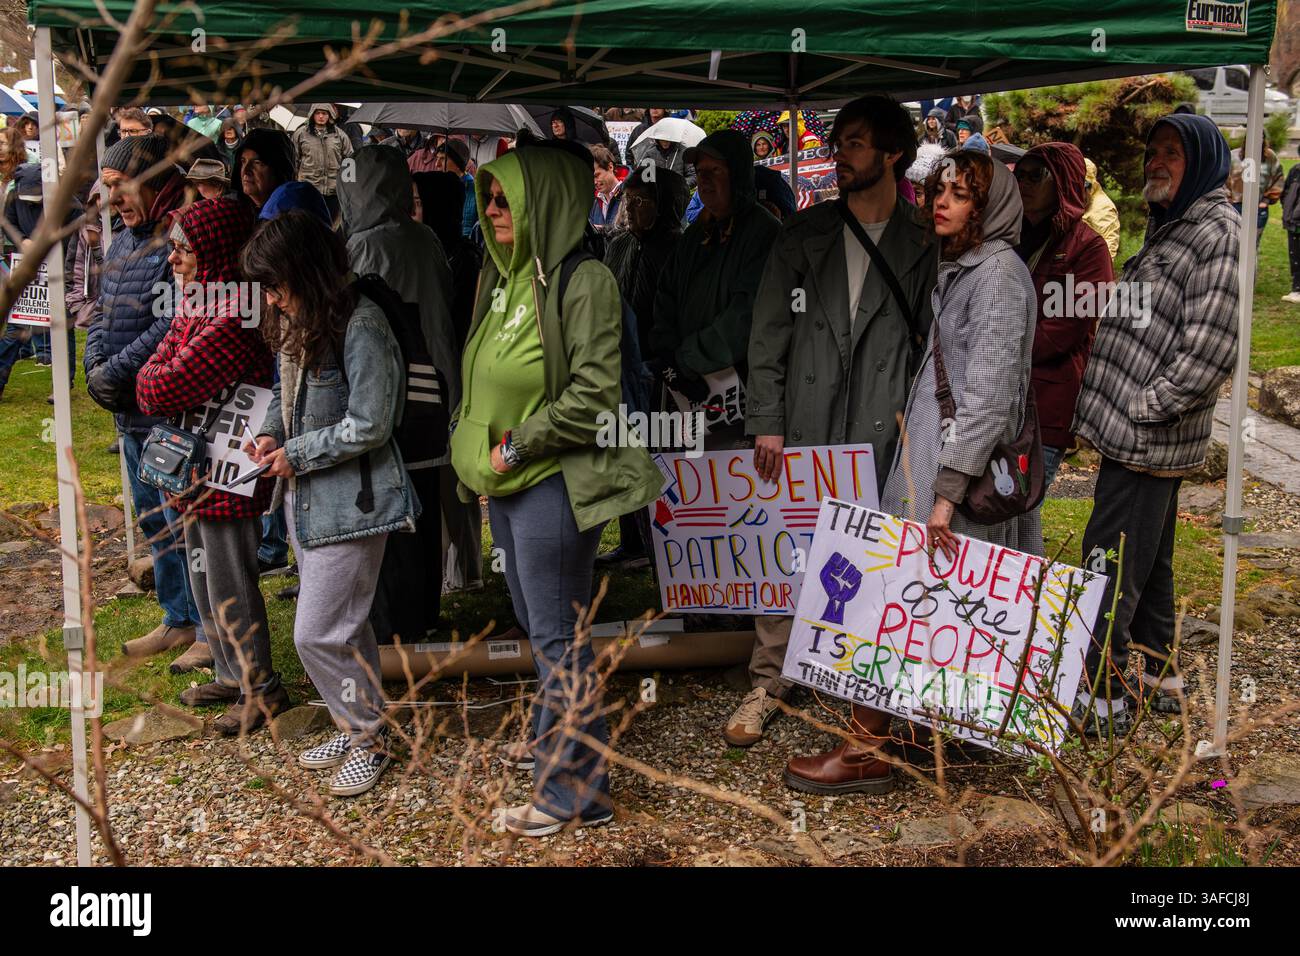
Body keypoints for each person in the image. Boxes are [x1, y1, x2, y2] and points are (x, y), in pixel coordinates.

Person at [789, 149, 1040, 796]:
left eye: (961, 194)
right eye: (939, 190)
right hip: (926, 464)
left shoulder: (1000, 277)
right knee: (919, 606)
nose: (942, 202)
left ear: (991, 207)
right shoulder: (962, 267)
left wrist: (945, 496)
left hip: (950, 479)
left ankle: (868, 747)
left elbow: (989, 399)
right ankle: (912, 738)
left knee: (901, 602)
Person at [450, 145, 663, 835]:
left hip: (552, 480)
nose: (490, 210)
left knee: (556, 637)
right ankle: (555, 751)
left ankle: (576, 792)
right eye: (487, 198)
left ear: (544, 200)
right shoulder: (504, 275)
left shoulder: (586, 280)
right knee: (543, 628)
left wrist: (513, 446)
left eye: (505, 199)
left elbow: (593, 397)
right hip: (509, 485)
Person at [740, 95, 936, 759]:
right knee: (788, 545)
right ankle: (770, 682)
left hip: (888, 426)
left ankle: (861, 682)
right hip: (806, 419)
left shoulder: (922, 244)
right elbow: (767, 332)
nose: (837, 153)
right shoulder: (805, 233)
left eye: (853, 142)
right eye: (838, 141)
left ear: (893, 154)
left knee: (876, 553)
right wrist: (766, 420)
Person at [1071, 114, 1239, 736]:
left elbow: (1212, 344)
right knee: (1151, 556)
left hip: (1148, 434)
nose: (1156, 162)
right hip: (1136, 432)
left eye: (1171, 152)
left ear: (1201, 161)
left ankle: (1102, 695)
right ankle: (1159, 671)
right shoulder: (1173, 225)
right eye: (1152, 152)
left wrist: (1148, 406)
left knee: (1106, 558)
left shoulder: (1217, 231)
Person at [243, 210, 417, 796]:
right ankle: (358, 720)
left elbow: (372, 423)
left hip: (355, 504)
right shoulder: (302, 320)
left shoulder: (361, 325)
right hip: (310, 500)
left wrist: (299, 450)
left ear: (306, 273)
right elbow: (284, 390)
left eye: (275, 285)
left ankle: (370, 736)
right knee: (349, 626)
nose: (269, 299)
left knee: (314, 633)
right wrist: (272, 433)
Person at [135, 196, 286, 730]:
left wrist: (160, 377)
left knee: (229, 577)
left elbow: (167, 381)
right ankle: (228, 670)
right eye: (173, 246)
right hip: (196, 463)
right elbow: (153, 379)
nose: (173, 257)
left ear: (216, 250)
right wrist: (159, 377)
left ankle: (259, 687)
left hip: (231, 464)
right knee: (202, 573)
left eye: (185, 247)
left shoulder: (237, 312)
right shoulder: (199, 301)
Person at [82, 134, 204, 660]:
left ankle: (203, 623)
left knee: (182, 521)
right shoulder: (125, 239)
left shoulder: (180, 237)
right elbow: (102, 309)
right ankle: (177, 617)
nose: (115, 201)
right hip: (128, 408)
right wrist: (93, 366)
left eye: (121, 187)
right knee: (153, 517)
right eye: (108, 189)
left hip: (163, 405)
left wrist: (115, 369)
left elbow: (172, 322)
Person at [338, 146, 458, 644]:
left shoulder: (362, 249)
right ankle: (425, 611)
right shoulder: (425, 238)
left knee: (396, 510)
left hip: (395, 390)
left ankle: (399, 623)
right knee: (426, 503)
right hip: (438, 380)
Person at [648, 129, 779, 433]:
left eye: (714, 171)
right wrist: (668, 354)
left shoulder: (764, 232)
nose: (703, 180)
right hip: (688, 395)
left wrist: (687, 358)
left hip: (744, 395)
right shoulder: (695, 234)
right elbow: (665, 295)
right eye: (699, 172)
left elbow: (747, 315)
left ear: (737, 175)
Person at [594, 164, 690, 569]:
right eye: (629, 201)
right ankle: (632, 541)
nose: (632, 210)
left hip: (660, 373)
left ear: (666, 206)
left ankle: (661, 544)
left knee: (658, 457)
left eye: (643, 202)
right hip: (620, 366)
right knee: (621, 454)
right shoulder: (617, 244)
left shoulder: (680, 250)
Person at [1013, 142, 1113, 490]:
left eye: (1035, 176)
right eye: (1019, 176)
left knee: (1020, 506)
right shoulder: (1007, 235)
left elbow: (1064, 330)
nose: (1023, 184)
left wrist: (997, 347)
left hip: (1046, 403)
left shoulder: (1088, 248)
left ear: (1061, 181)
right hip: (995, 396)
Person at [413, 170, 485, 593]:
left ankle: (469, 567)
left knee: (458, 478)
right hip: (435, 376)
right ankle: (445, 568)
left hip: (458, 375)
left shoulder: (464, 256)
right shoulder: (428, 249)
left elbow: (456, 321)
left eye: (423, 202)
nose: (416, 210)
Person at [292, 103, 353, 223]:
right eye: (317, 113)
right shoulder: (300, 134)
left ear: (329, 115)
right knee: (309, 224)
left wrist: (349, 187)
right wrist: (294, 183)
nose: (321, 116)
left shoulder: (340, 135)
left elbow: (349, 159)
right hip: (308, 190)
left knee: (331, 225)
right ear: (312, 115)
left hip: (333, 191)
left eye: (324, 113)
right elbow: (293, 159)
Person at [1225, 140, 1283, 252]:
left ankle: (1251, 270)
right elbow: (1224, 178)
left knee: (1252, 247)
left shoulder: (1270, 157)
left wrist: (1266, 200)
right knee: (1233, 244)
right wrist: (1228, 199)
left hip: (1258, 207)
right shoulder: (1233, 155)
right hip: (1236, 206)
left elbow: (1278, 178)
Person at [236, 127, 295, 211]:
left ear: (279, 170)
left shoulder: (290, 218)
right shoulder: (238, 213)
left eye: (257, 163)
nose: (245, 171)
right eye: (243, 161)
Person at [433, 139, 477, 238]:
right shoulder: (436, 188)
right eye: (437, 158)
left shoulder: (475, 192)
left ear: (458, 164)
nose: (437, 164)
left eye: (443, 159)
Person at [629, 131, 696, 193]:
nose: (665, 142)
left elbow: (693, 176)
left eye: (668, 139)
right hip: (656, 197)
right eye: (662, 139)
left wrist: (680, 186)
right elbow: (644, 178)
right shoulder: (650, 153)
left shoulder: (683, 152)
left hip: (679, 197)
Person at [1081, 157, 1121, 258]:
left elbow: (1109, 246)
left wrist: (1098, 273)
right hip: (1072, 268)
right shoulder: (1079, 202)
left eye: (1085, 186)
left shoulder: (1104, 208)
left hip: (1090, 268)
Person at [589, 144, 626, 233]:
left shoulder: (629, 195)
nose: (594, 182)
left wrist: (604, 230)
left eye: (597, 175)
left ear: (610, 167)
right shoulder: (593, 200)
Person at [1280, 160, 1300, 304]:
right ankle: (1296, 289)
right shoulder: (1295, 170)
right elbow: (1285, 191)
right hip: (1292, 221)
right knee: (1295, 256)